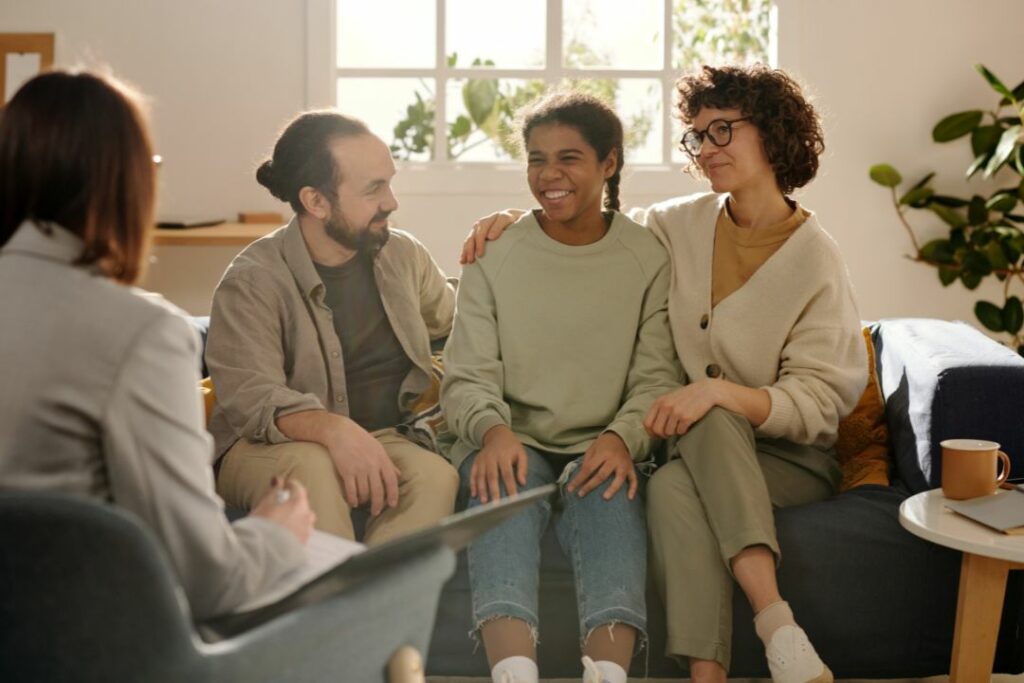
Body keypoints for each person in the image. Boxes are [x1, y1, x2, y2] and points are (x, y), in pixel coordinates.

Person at [460, 65, 868, 683]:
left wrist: (720, 392)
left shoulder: (817, 258)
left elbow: (823, 399)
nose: (707, 149)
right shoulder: (678, 224)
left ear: (773, 131)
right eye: (698, 135)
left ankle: (774, 618)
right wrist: (516, 219)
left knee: (708, 411)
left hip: (783, 456)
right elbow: (588, 227)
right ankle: (717, 669)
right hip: (694, 444)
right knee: (675, 485)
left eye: (723, 130)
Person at [0, 69, 315, 620]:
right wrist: (278, 534)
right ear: (129, 181)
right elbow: (207, 581)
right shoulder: (141, 334)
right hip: (87, 643)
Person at [441, 91, 682, 683]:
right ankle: (513, 674)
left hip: (602, 440)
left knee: (611, 496)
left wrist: (623, 439)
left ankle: (608, 676)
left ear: (609, 162)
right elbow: (467, 373)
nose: (549, 175)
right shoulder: (494, 252)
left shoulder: (647, 257)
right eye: (536, 159)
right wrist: (492, 432)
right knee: (502, 488)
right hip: (509, 437)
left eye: (569, 158)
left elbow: (655, 377)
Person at [207, 111, 459, 543]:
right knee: (314, 467)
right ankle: (334, 589)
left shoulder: (402, 255)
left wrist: (513, 230)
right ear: (316, 201)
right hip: (266, 446)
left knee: (435, 476)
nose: (392, 202)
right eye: (373, 189)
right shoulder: (252, 281)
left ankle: (370, 590)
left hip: (384, 434)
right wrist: (334, 430)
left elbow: (456, 323)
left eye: (389, 183)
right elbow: (253, 400)